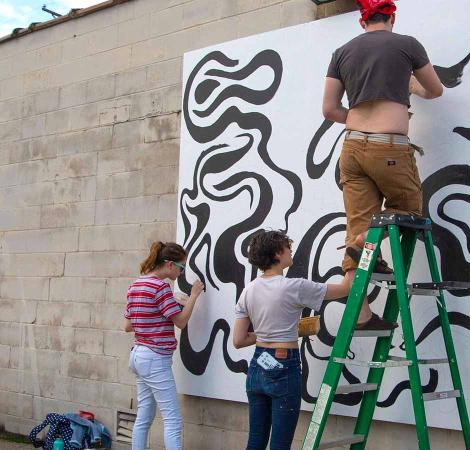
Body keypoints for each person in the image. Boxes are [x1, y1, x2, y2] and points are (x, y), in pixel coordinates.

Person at [322, 0, 444, 330]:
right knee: (410, 210)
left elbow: (330, 110)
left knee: (357, 224)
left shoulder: (342, 52)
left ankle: (361, 313)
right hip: (389, 148)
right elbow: (436, 90)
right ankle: (366, 244)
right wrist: (409, 86)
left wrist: (361, 122)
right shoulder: (407, 45)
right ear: (391, 17)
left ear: (363, 22)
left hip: (351, 148)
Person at [232, 230, 354, 450]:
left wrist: (278, 331)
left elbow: (238, 340)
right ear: (278, 253)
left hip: (257, 366)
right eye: (288, 247)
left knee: (256, 440)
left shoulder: (248, 290)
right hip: (284, 365)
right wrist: (353, 255)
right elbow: (346, 288)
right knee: (280, 444)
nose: (291, 251)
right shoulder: (294, 286)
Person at [123, 242, 205, 450]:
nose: (182, 272)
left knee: (144, 417)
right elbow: (181, 322)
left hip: (138, 356)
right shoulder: (160, 287)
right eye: (181, 267)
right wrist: (194, 296)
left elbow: (127, 325)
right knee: (172, 420)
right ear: (169, 264)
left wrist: (166, 305)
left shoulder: (136, 285)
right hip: (155, 358)